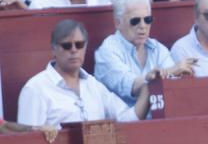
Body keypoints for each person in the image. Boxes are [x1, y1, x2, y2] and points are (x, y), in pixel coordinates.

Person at [19, 19, 152, 127]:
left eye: (79, 45)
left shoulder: (94, 85)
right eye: (66, 45)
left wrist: (148, 89)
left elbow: (126, 119)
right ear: (53, 49)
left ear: (85, 47)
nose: (73, 50)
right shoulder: (35, 88)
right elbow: (28, 143)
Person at [95, 0, 195, 108]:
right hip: (122, 122)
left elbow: (173, 87)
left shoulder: (158, 48)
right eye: (135, 21)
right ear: (118, 23)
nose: (143, 26)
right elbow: (131, 86)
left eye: (147, 20)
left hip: (159, 118)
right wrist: (169, 72)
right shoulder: (108, 50)